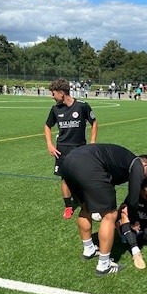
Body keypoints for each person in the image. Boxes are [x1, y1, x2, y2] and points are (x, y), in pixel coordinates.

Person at [61, 144, 147, 275]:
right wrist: (133, 220)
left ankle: (89, 249)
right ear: (145, 165)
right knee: (110, 215)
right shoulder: (137, 164)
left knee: (85, 208)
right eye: (144, 176)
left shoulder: (123, 160)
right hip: (89, 165)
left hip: (68, 163)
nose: (141, 179)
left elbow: (109, 179)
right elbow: (133, 197)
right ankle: (104, 265)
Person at [44, 78, 98, 219]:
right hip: (62, 149)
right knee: (65, 179)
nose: (52, 96)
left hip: (80, 148)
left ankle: (88, 203)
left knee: (83, 177)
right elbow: (47, 126)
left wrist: (92, 142)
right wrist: (50, 144)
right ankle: (68, 206)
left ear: (61, 93)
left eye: (53, 93)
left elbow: (94, 123)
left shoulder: (82, 106)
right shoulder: (55, 109)